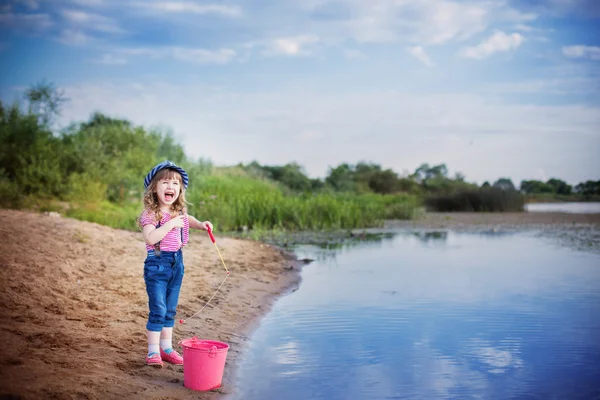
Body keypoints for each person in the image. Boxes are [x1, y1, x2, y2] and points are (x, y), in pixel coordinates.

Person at [138, 160, 213, 368]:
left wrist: (201, 224)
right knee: (158, 308)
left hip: (176, 264)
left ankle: (167, 348)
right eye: (164, 183)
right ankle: (153, 351)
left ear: (180, 190)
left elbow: (189, 220)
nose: (170, 187)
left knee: (170, 309)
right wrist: (170, 224)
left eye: (175, 184)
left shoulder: (179, 213)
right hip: (157, 265)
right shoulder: (151, 214)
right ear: (154, 188)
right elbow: (150, 238)